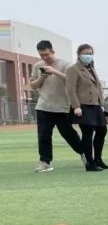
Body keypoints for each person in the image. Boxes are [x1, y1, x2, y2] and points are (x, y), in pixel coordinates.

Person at [30, 40, 84, 172]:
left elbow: (72, 82)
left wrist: (54, 71)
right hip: (43, 106)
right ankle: (44, 161)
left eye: (47, 54)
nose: (44, 57)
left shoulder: (65, 65)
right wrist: (42, 77)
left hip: (62, 107)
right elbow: (33, 86)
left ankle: (84, 153)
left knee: (68, 134)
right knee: (44, 135)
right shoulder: (38, 66)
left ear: (52, 51)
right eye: (41, 55)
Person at [65, 44, 108, 171]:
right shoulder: (72, 69)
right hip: (83, 106)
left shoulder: (91, 68)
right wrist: (76, 106)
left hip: (95, 106)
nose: (88, 55)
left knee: (102, 130)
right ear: (79, 54)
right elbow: (70, 90)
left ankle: (98, 159)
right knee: (87, 134)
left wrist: (101, 104)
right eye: (86, 53)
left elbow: (98, 88)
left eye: (91, 53)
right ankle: (89, 163)